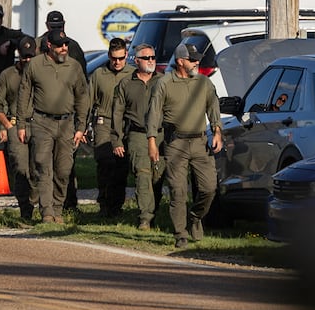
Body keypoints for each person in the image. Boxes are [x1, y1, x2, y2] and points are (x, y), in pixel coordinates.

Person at [146, 43, 223, 248]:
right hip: (175, 143)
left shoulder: (204, 83)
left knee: (209, 188)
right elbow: (154, 112)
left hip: (199, 142)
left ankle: (195, 217)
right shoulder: (164, 83)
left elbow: (213, 107)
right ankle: (180, 234)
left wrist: (217, 131)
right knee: (177, 190)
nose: (197, 62)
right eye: (192, 59)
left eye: (197, 58)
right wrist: (152, 142)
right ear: (180, 61)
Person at [18, 30, 89, 223]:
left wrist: (81, 126)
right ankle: (47, 211)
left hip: (67, 123)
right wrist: (22, 124)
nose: (64, 48)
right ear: (49, 45)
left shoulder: (74, 67)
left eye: (65, 44)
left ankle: (58, 208)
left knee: (64, 169)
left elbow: (83, 97)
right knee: (42, 165)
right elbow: (24, 95)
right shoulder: (35, 65)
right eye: (59, 45)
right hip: (42, 122)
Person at [111, 42, 166, 230]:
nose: (151, 61)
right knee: (142, 175)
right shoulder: (126, 83)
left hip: (160, 136)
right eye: (146, 58)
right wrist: (116, 139)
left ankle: (154, 213)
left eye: (153, 57)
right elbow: (117, 114)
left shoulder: (163, 81)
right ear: (136, 60)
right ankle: (145, 218)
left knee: (157, 177)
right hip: (137, 136)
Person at [35, 10, 86, 211]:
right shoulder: (38, 45)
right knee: (43, 163)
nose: (57, 30)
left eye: (60, 26)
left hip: (68, 114)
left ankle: (69, 203)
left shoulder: (72, 47)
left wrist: (81, 118)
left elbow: (83, 84)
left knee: (65, 164)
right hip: (42, 114)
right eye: (53, 26)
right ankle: (46, 207)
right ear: (47, 25)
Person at [0, 37, 38, 219]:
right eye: (24, 57)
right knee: (20, 167)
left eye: (30, 57)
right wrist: (6, 125)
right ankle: (25, 207)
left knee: (37, 167)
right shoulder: (8, 75)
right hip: (15, 123)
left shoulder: (40, 73)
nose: (27, 61)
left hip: (37, 124)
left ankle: (34, 201)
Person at [87, 37, 134, 219]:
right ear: (109, 56)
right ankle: (104, 202)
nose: (117, 62)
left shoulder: (132, 74)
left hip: (124, 124)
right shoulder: (99, 74)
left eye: (121, 58)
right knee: (105, 162)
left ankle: (117, 205)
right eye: (114, 58)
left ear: (126, 55)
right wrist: (82, 126)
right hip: (104, 122)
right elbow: (88, 101)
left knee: (121, 167)